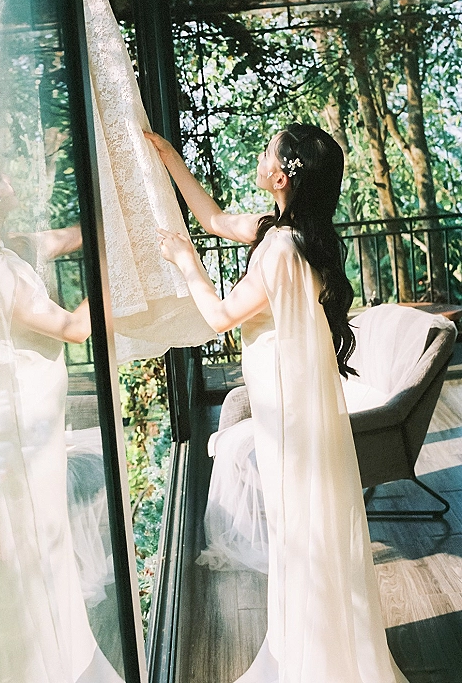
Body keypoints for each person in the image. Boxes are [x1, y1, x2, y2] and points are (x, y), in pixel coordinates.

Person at [145, 124, 409, 683]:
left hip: (287, 411)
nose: (261, 155)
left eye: (267, 149)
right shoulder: (285, 233)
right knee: (303, 533)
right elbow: (215, 218)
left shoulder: (280, 250)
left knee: (300, 535)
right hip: (286, 402)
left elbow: (218, 318)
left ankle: (314, 662)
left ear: (282, 175)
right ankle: (313, 650)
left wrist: (185, 260)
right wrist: (168, 156)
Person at [0, 168, 124, 683]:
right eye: (0, 175)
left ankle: (62, 657)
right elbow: (73, 329)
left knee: (47, 540)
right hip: (27, 428)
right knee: (39, 540)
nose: (11, 179)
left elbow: (74, 236)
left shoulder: (14, 249)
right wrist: (114, 276)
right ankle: (49, 667)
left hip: (39, 420)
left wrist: (115, 209)